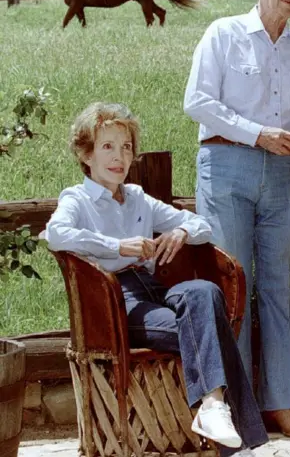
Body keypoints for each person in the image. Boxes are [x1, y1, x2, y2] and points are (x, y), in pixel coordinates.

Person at [45, 103, 268, 454]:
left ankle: (212, 407)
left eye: (126, 147)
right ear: (85, 155)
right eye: (107, 146)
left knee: (204, 292)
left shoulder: (137, 198)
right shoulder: (77, 199)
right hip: (116, 300)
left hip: (155, 291)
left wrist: (180, 231)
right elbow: (56, 235)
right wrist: (118, 245)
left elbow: (202, 226)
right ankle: (234, 436)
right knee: (213, 328)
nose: (119, 156)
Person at [184, 0, 290, 438]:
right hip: (226, 167)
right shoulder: (223, 33)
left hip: (282, 173)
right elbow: (197, 102)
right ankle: (236, 406)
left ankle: (279, 402)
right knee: (233, 284)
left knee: (280, 287)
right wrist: (257, 134)